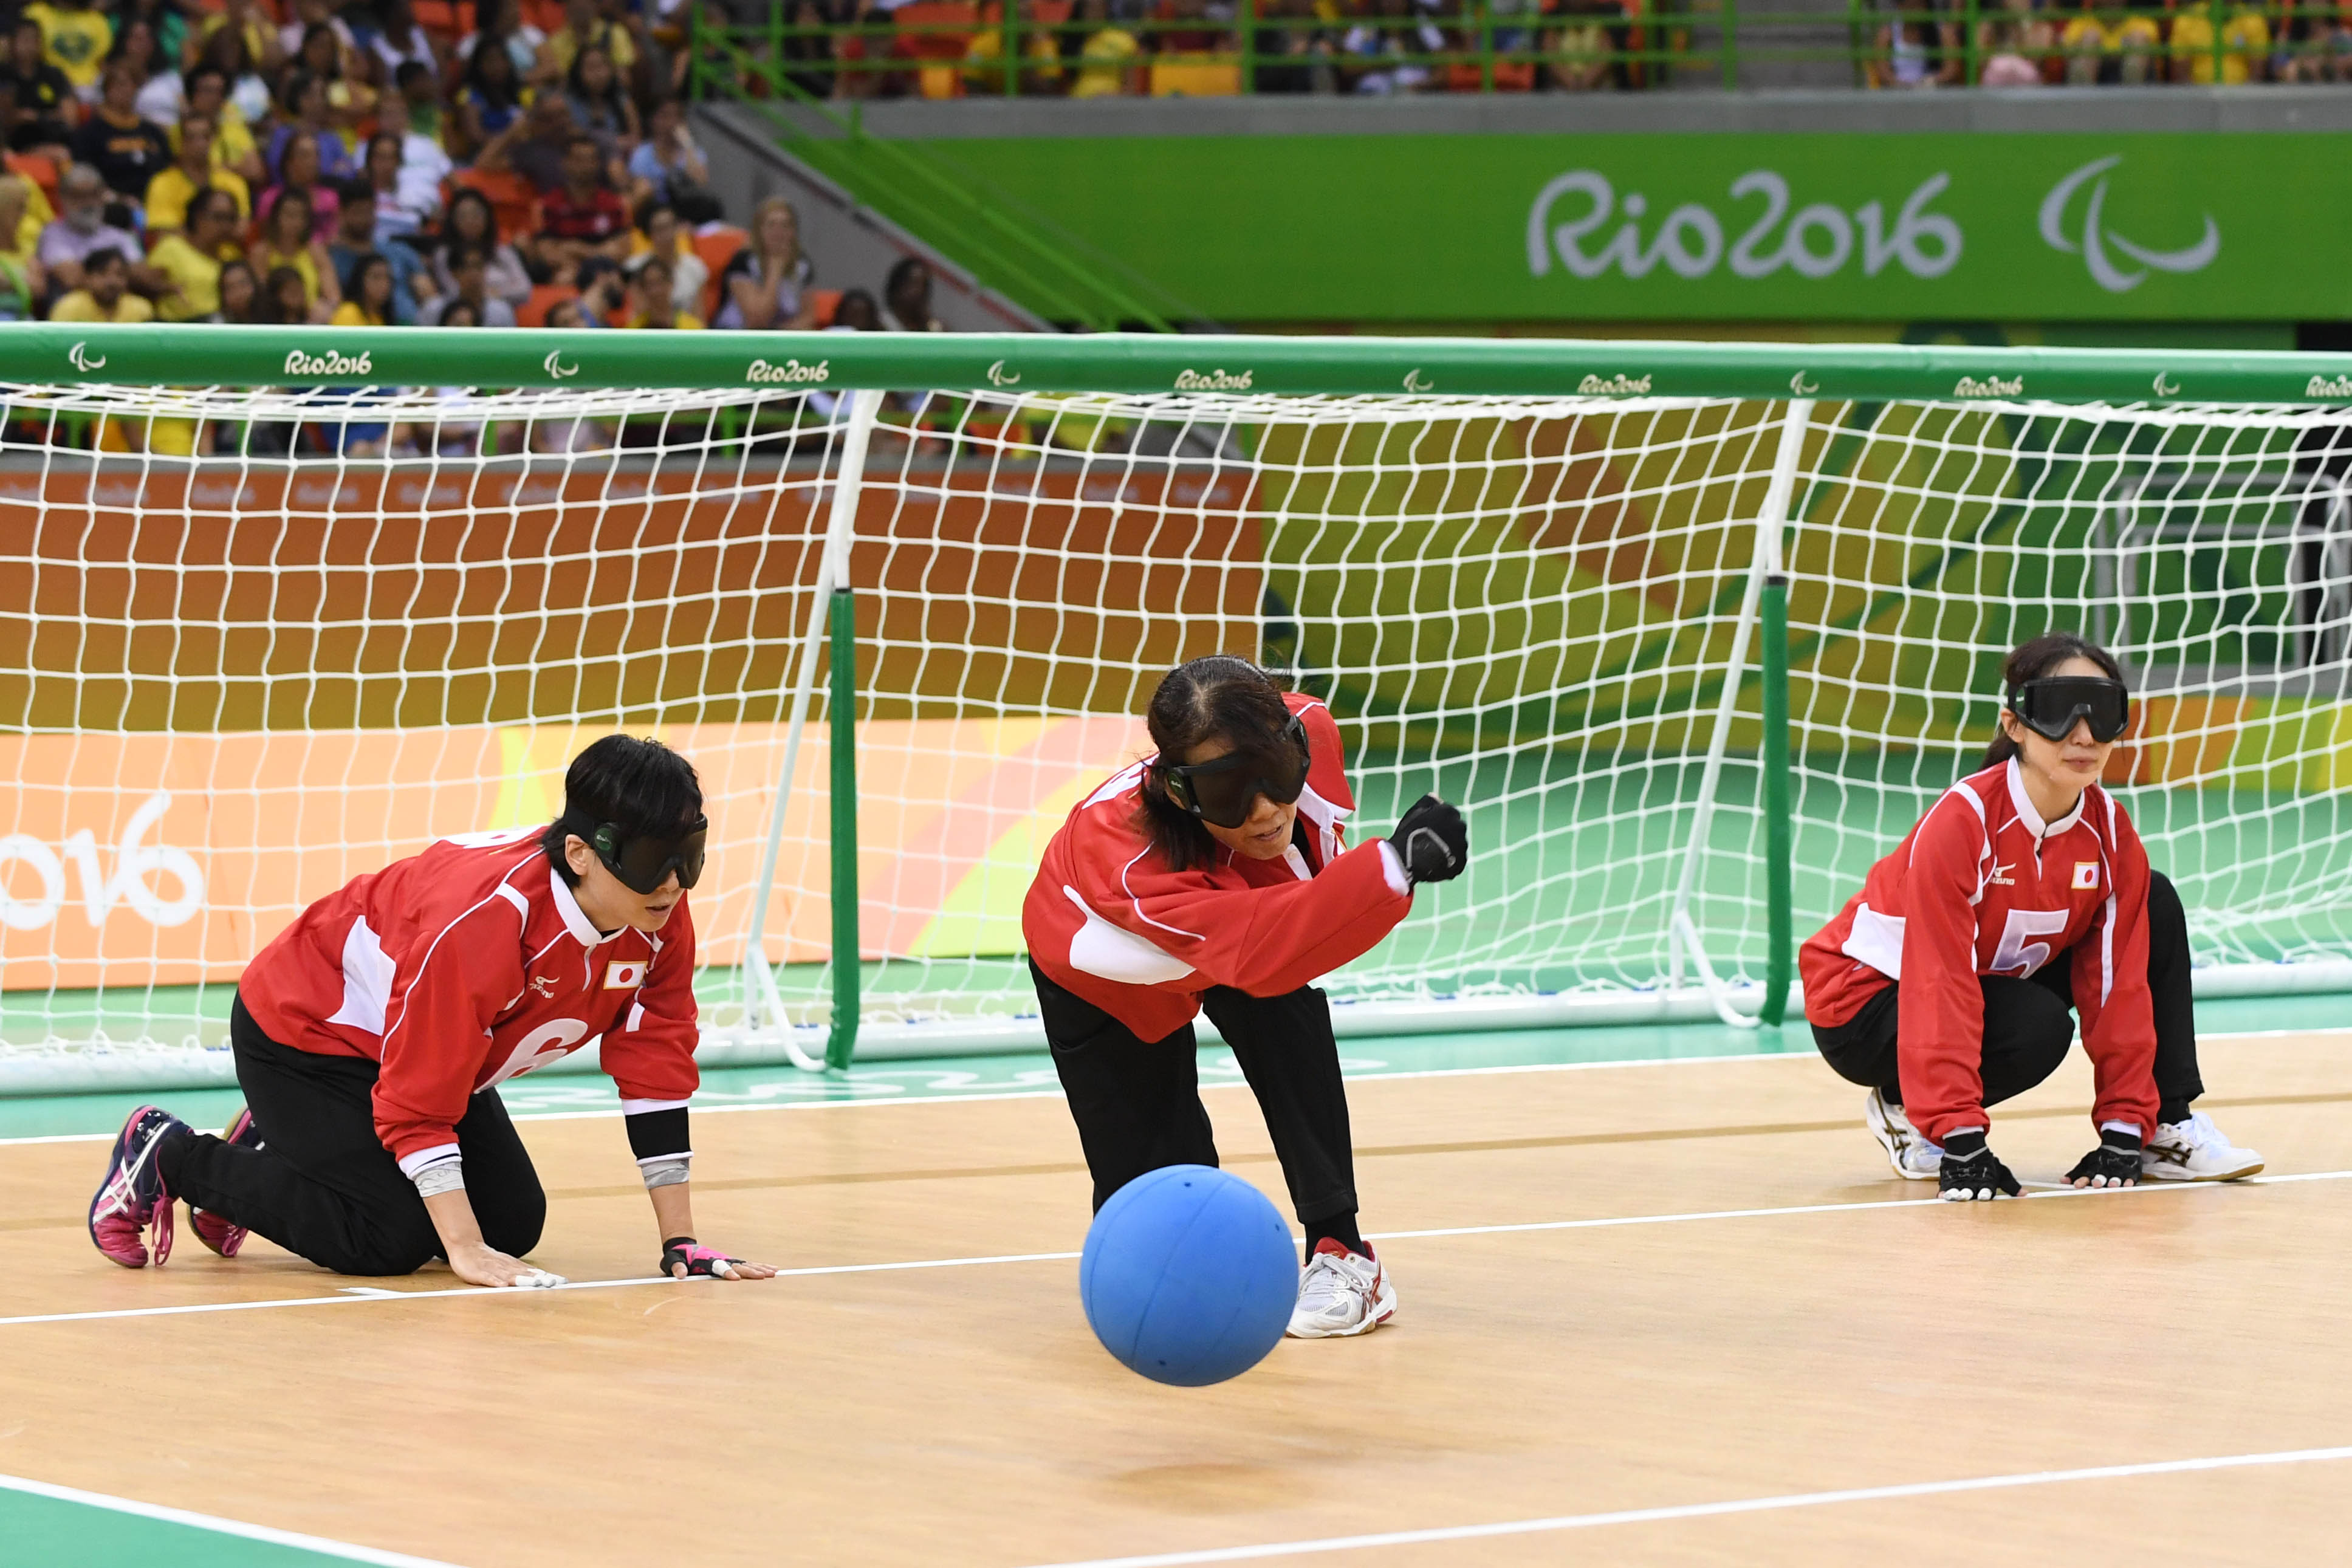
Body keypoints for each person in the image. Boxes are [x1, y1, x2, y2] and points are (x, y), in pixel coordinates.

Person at [87, 737, 780, 1292]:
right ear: (581, 853)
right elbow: (417, 1104)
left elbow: (654, 1066)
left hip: (409, 1049)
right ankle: (172, 1153)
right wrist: (463, 1250)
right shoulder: (482, 925)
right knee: (388, 1237)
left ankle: (278, 1150)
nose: (672, 884)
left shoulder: (656, 912)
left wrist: (678, 1242)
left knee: (512, 1221)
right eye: (655, 861)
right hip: (307, 1032)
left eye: (688, 859)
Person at [1022, 656, 1469, 1338]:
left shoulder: (1308, 727)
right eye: (1230, 792)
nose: (1265, 812)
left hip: (1239, 922)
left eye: (1277, 776)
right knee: (1167, 1233)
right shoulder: (1130, 865)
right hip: (1108, 977)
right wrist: (1393, 868)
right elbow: (1260, 947)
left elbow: (1297, 898)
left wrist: (1363, 878)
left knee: (1284, 998)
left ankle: (1342, 1251)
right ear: (1179, 792)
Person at [1803, 632, 2266, 1200]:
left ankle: (2163, 1130)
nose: (2083, 734)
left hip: (1982, 978)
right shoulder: (1964, 822)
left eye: (2101, 712)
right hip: (1865, 1004)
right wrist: (1960, 1136)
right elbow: (1936, 979)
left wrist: (2124, 1125)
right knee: (2037, 1027)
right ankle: (1906, 1106)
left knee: (2153, 898)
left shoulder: (2110, 832)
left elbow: (2117, 983)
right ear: (2014, 725)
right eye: (2057, 710)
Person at [533, 131, 631, 282]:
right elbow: (547, 254)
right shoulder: (548, 205)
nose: (586, 166)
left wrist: (579, 249)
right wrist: (600, 252)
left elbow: (622, 252)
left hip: (606, 272)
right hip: (567, 272)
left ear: (598, 164)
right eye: (579, 160)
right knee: (564, 278)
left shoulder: (614, 204)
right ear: (565, 162)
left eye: (591, 160)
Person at [38, 160, 146, 293]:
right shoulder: (52, 234)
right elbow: (72, 279)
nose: (88, 203)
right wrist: (119, 276)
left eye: (94, 194)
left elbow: (142, 275)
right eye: (79, 196)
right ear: (63, 199)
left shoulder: (118, 235)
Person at [714, 195, 817, 330]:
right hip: (738, 336)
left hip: (782, 339)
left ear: (793, 231)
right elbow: (757, 320)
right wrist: (775, 270)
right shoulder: (743, 261)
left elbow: (808, 318)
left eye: (785, 225)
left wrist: (783, 335)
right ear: (759, 230)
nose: (778, 232)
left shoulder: (802, 263)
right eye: (771, 225)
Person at [143, 111, 249, 239]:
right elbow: (162, 233)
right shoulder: (161, 183)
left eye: (205, 137)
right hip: (181, 257)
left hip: (228, 257)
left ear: (213, 139)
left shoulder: (234, 182)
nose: (200, 144)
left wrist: (192, 232)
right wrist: (218, 231)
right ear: (181, 142)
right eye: (192, 137)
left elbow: (242, 230)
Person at [148, 185, 242, 319]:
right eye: (219, 217)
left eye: (231, 219)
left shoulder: (232, 256)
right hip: (179, 329)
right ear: (198, 216)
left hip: (220, 329)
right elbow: (144, 283)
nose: (226, 226)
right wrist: (166, 288)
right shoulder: (172, 247)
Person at [248, 184, 339, 320]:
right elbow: (260, 296)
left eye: (301, 216)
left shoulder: (315, 251)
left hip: (310, 319)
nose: (295, 222)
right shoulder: (261, 253)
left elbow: (333, 296)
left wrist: (324, 308)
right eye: (289, 215)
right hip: (273, 320)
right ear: (276, 216)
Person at [431, 186, 532, 306]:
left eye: (476, 214)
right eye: (463, 215)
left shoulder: (502, 252)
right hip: (460, 311)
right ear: (453, 220)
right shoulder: (444, 254)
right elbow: (452, 291)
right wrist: (486, 294)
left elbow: (524, 290)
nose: (470, 220)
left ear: (487, 218)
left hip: (501, 311)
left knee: (498, 310)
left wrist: (496, 294)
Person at [0, 18, 75, 156]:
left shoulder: (54, 75)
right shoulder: (4, 75)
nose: (29, 45)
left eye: (35, 39)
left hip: (53, 143)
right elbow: (6, 119)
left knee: (64, 154)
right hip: (12, 146)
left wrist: (35, 116)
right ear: (12, 42)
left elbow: (70, 118)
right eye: (24, 39)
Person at [624, 94, 707, 210]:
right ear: (653, 120)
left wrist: (687, 143)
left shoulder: (692, 151)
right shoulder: (642, 154)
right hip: (655, 213)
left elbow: (700, 182)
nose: (672, 123)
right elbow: (641, 192)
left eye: (677, 116)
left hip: (687, 213)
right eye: (665, 116)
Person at [628, 196, 705, 315]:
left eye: (670, 226)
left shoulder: (695, 267)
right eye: (660, 229)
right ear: (649, 234)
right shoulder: (634, 268)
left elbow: (700, 319)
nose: (667, 235)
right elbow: (638, 312)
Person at [25, 0, 112, 97]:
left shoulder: (97, 20)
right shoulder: (35, 14)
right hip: (46, 90)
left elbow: (102, 63)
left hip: (89, 91)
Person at [423, 241, 520, 326]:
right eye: (468, 267)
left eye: (478, 266)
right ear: (454, 272)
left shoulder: (502, 312)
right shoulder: (433, 309)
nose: (474, 273)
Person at [564, 43, 638, 153]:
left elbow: (635, 138)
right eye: (591, 68)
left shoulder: (621, 98)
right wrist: (611, 142)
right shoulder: (567, 102)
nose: (598, 74)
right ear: (578, 72)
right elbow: (570, 134)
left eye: (603, 66)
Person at [50, 241, 151, 320]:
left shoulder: (141, 309)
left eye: (120, 274)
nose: (112, 281)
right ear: (87, 278)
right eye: (102, 273)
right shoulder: (69, 307)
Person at [621, 251, 699, 327]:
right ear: (643, 289)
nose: (656, 291)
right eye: (650, 284)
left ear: (671, 283)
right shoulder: (634, 330)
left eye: (660, 282)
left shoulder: (691, 328)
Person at [882, 255, 942, 332]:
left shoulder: (932, 326)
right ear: (898, 285)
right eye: (914, 284)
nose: (920, 291)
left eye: (924, 285)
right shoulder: (881, 325)